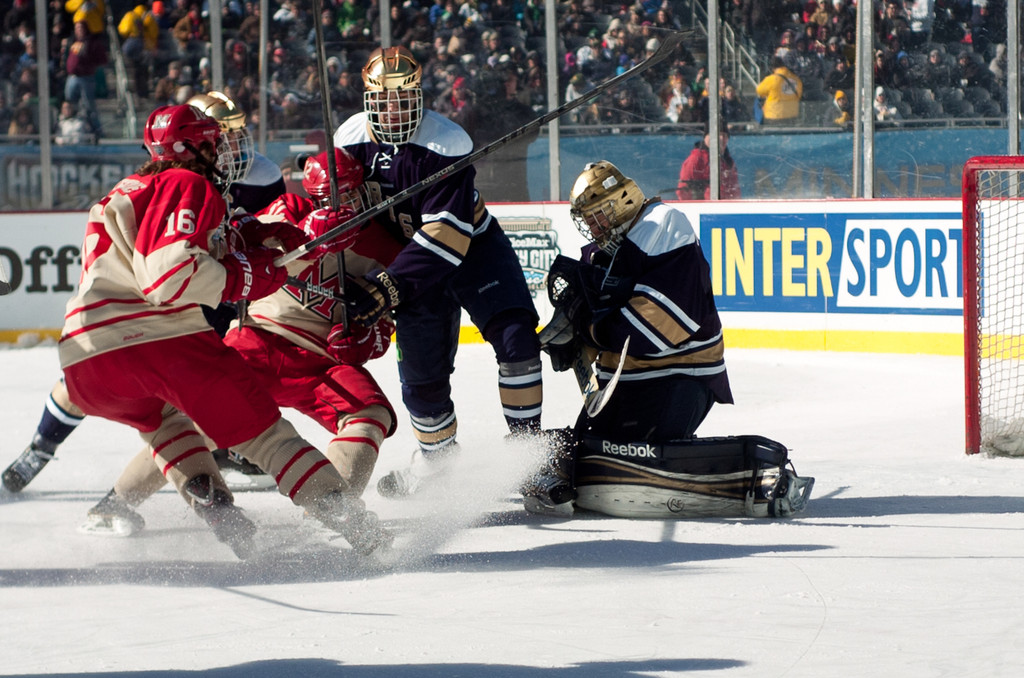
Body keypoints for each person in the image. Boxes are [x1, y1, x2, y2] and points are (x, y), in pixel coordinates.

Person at [55, 103, 389, 557]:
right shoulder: (185, 181)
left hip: (85, 360)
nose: (224, 153)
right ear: (191, 148)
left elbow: (222, 238)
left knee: (167, 425)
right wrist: (246, 277)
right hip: (162, 339)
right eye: (215, 143)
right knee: (267, 437)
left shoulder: (131, 191)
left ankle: (215, 505)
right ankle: (355, 523)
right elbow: (167, 274)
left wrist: (285, 243)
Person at [2, 91, 285, 494]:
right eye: (223, 135)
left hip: (219, 291)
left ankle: (153, 487)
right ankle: (46, 451)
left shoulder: (260, 174)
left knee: (201, 399)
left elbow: (266, 230)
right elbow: (155, 255)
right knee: (89, 385)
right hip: (165, 294)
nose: (232, 146)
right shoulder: (169, 179)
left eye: (238, 134)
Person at [333, 46, 543, 498]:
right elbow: (345, 220)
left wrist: (386, 286)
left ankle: (528, 460)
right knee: (422, 380)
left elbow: (448, 237)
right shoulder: (348, 141)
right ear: (368, 100)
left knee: (516, 338)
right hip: (406, 260)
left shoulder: (446, 143)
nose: (394, 108)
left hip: (473, 248)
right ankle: (438, 464)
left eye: (404, 97)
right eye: (384, 99)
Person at [519, 160, 734, 516]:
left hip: (681, 377)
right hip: (627, 384)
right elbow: (602, 323)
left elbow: (656, 328)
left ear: (623, 199)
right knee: (590, 454)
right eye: (586, 219)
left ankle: (714, 470)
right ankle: (544, 468)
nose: (592, 225)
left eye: (598, 214)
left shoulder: (663, 225)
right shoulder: (600, 252)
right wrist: (570, 336)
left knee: (632, 456)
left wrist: (590, 327)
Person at [675, 123, 741, 200]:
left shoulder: (728, 161)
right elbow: (683, 189)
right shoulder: (696, 158)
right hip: (703, 208)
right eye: (718, 134)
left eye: (725, 135)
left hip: (726, 207)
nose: (721, 138)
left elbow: (735, 190)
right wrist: (692, 208)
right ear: (706, 137)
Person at [755, 56, 803, 124]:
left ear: (773, 68)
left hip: (774, 115)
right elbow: (799, 94)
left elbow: (759, 90)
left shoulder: (770, 79)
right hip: (791, 115)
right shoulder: (795, 79)